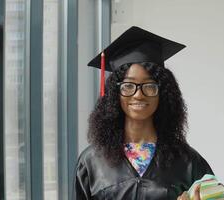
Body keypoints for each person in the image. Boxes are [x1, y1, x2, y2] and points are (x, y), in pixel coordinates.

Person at [75, 26, 214, 200]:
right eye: (128, 86)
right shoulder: (91, 161)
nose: (138, 94)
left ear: (162, 93)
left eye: (149, 86)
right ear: (114, 94)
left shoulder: (188, 161)